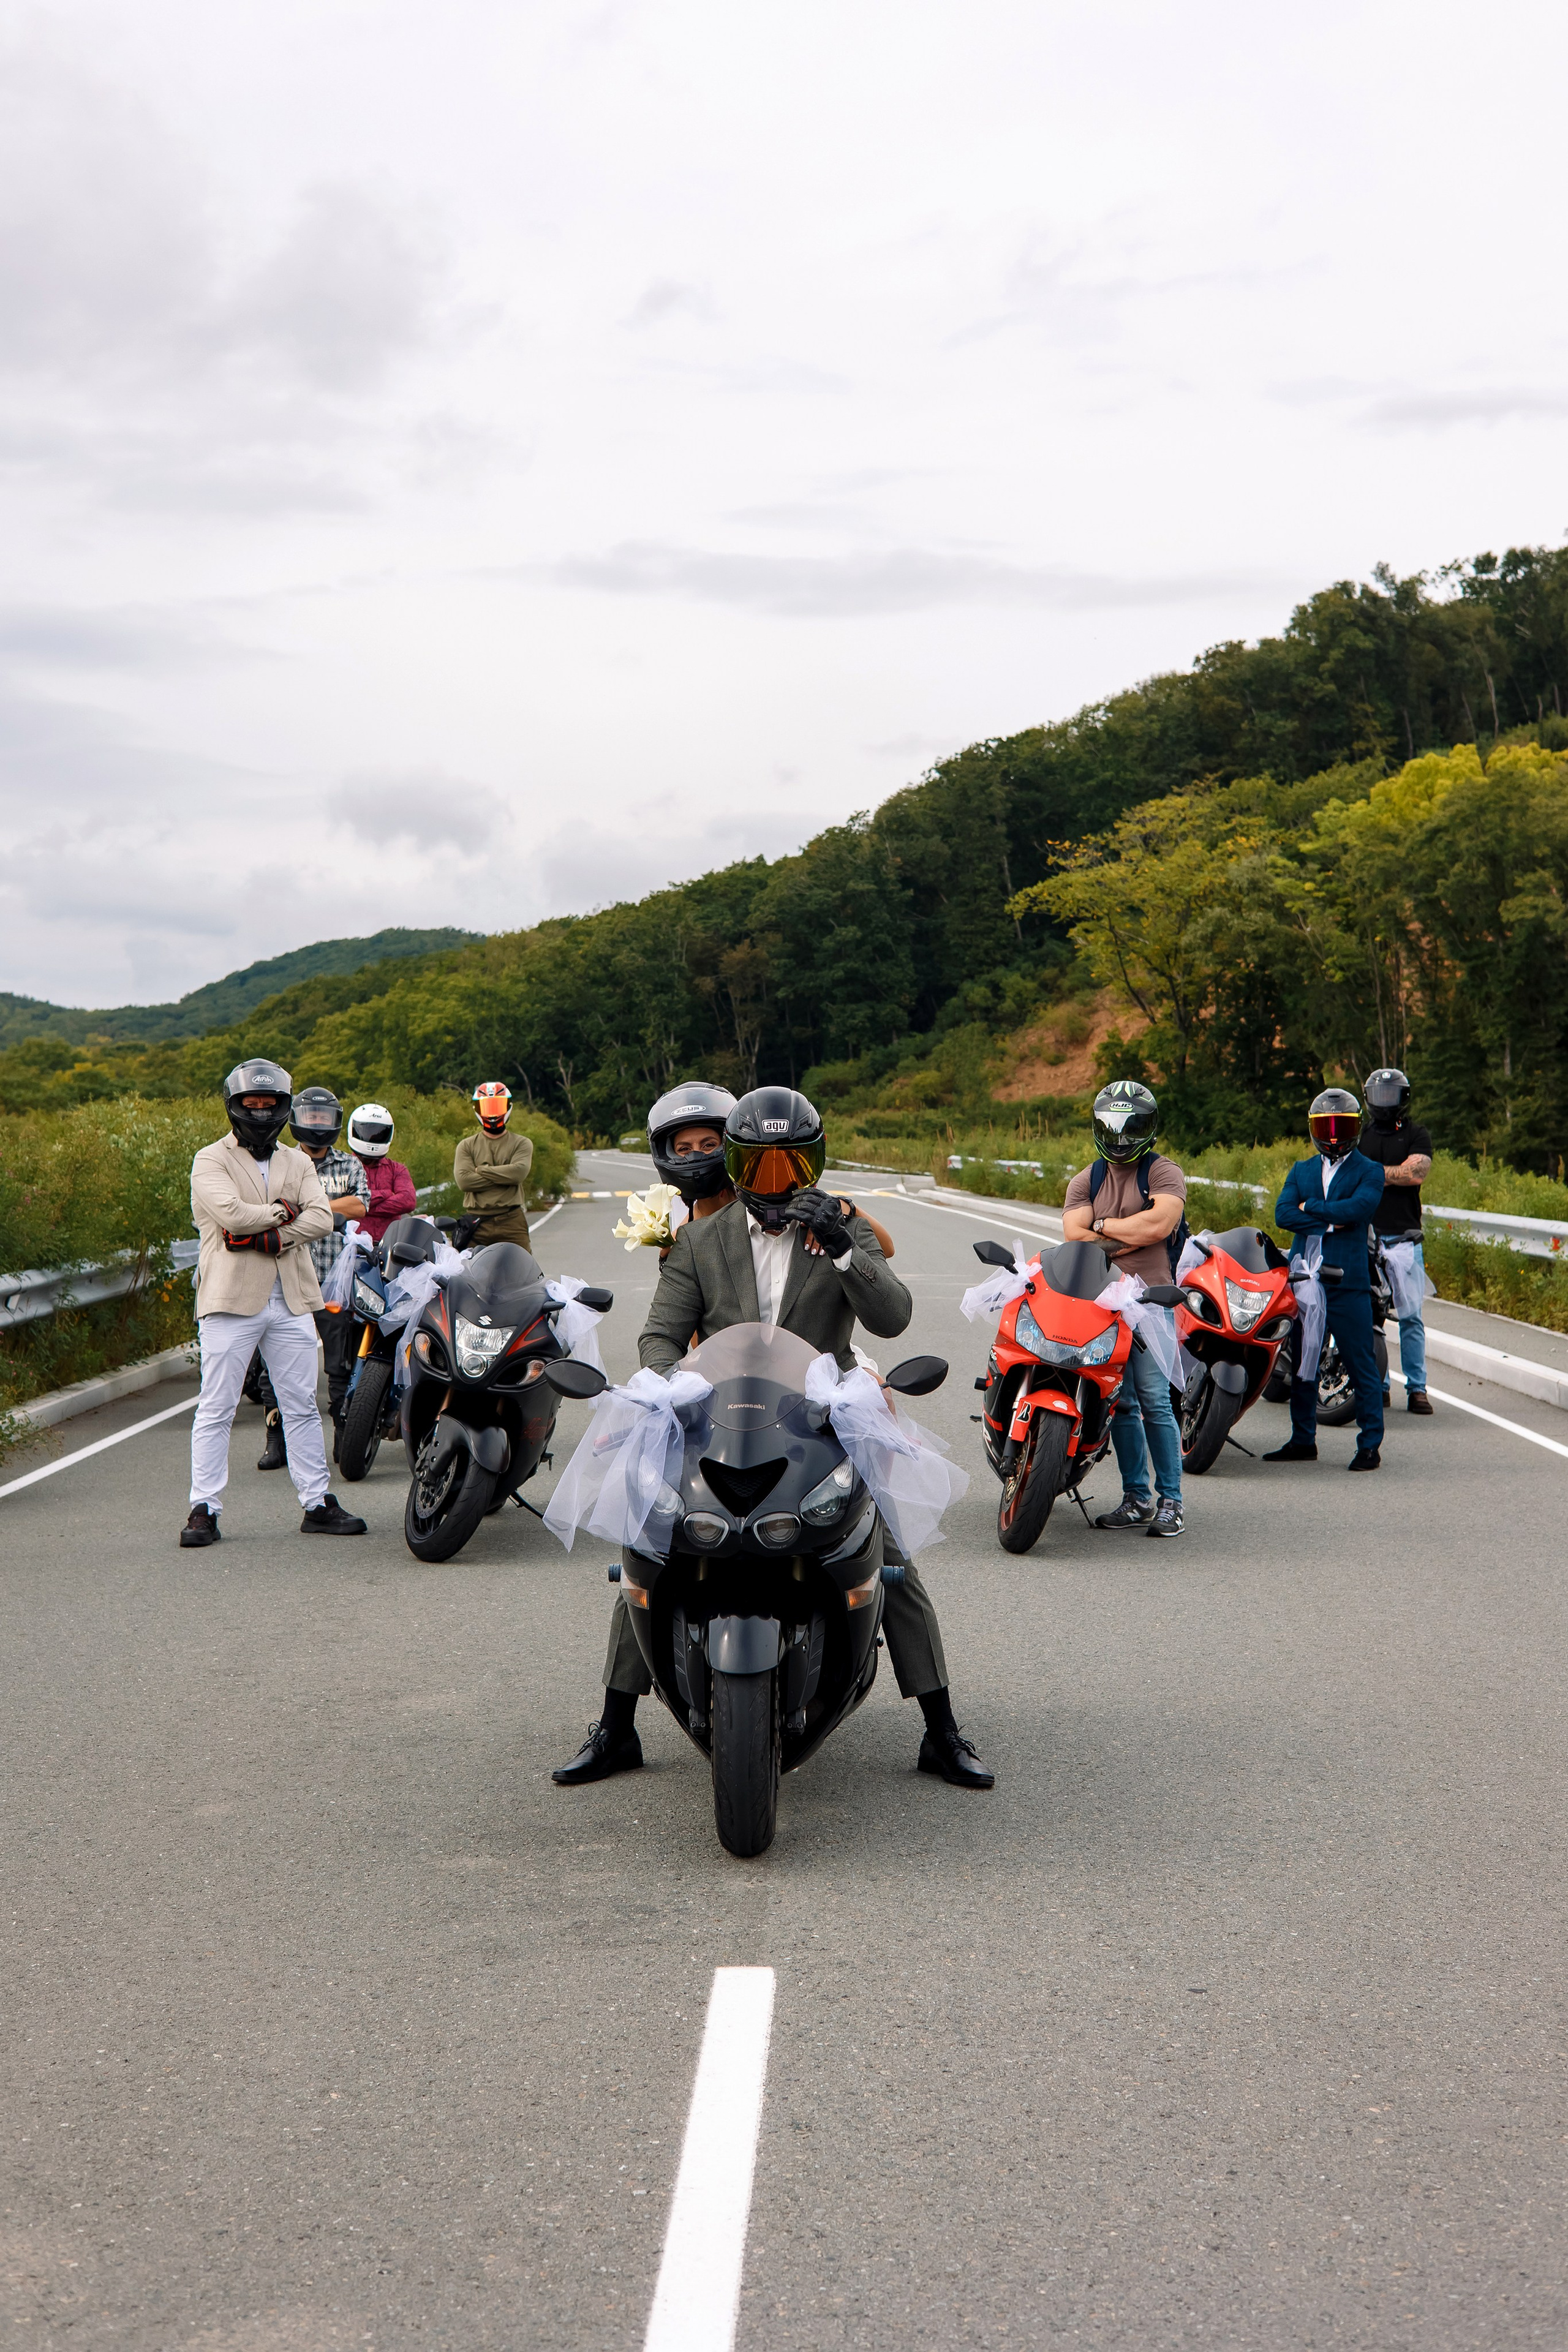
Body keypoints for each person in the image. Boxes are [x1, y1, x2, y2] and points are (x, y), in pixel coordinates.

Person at [554, 1084, 993, 1792]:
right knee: (652, 1544)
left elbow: (893, 1319)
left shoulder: (839, 1227)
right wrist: (675, 1386)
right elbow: (660, 1334)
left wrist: (847, 1251)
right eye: (759, 1167)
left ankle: (941, 1732)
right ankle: (617, 1728)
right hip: (720, 1409)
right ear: (734, 1166)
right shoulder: (699, 1239)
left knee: (889, 1556)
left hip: (823, 1413)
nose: (775, 1185)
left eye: (791, 1167)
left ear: (814, 1166)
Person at [181, 1060, 367, 1547]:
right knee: (217, 1406)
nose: (261, 1113)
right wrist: (285, 1213)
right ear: (235, 1106)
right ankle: (204, 1508)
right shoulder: (210, 1159)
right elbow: (231, 1215)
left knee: (302, 1404)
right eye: (251, 1105)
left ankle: (317, 1502)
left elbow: (324, 1219)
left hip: (290, 1297)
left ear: (284, 1108)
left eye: (269, 1105)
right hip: (229, 1297)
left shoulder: (298, 1162)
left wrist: (269, 1238)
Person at [1061, 1079, 1188, 1538]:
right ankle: (1137, 1498)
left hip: (1151, 1299)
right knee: (1123, 1404)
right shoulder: (1087, 1178)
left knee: (1155, 1401)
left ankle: (1172, 1500)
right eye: (1110, 1125)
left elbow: (1161, 1222)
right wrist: (1130, 1231)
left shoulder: (1163, 1172)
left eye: (1129, 1126)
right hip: (1101, 1302)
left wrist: (1103, 1225)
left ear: (1148, 1128)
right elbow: (1072, 1235)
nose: (1119, 1136)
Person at [247, 1087, 371, 1468]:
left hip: (333, 1280)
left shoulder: (349, 1164)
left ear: (335, 1123)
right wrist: (323, 1215)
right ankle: (275, 1439)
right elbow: (263, 1208)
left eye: (324, 1120)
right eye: (311, 1118)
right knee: (275, 1366)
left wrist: (309, 1208)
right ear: (297, 1119)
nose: (317, 1126)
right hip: (286, 1278)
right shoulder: (279, 1162)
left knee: (338, 1363)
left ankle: (342, 1434)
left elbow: (361, 1205)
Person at [1265, 1087, 1386, 1471]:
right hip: (1303, 1279)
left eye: (1342, 1126)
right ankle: (1303, 1439)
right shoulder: (1301, 1169)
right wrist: (1336, 1219)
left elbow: (1361, 1208)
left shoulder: (1370, 1170)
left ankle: (1370, 1445)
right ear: (1315, 1128)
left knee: (1360, 1362)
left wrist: (1312, 1209)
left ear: (1356, 1127)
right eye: (1326, 1126)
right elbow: (1283, 1214)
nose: (1333, 1135)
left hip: (1347, 1282)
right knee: (1303, 1360)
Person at [1359, 1066, 1434, 1415]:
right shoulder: (1362, 1136)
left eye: (1391, 1096)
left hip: (1405, 1238)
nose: (1384, 1102)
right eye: (1379, 1095)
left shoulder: (1417, 1134)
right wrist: (1391, 1174)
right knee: (1371, 1316)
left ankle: (1417, 1389)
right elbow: (1353, 1175)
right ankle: (1380, 1383)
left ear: (1403, 1099)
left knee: (1411, 1316)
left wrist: (1375, 1174)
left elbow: (1415, 1173)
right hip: (1367, 1238)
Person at [453, 1083, 533, 1250]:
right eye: (487, 1107)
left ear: (508, 1107)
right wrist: (504, 1176)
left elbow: (518, 1174)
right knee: (465, 1272)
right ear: (478, 1110)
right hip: (476, 1223)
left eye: (497, 1106)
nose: (493, 1113)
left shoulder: (521, 1143)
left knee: (525, 1271)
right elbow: (465, 1182)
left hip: (511, 1220)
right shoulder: (466, 1145)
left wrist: (482, 1170)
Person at [347, 1102, 417, 1245]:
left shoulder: (397, 1169)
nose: (372, 1138)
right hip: (352, 1246)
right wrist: (386, 1194)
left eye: (379, 1134)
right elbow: (340, 1202)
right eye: (367, 1132)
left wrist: (361, 1207)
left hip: (389, 1248)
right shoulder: (343, 1167)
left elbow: (408, 1201)